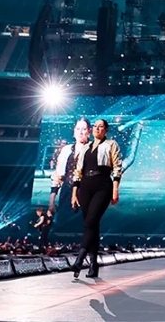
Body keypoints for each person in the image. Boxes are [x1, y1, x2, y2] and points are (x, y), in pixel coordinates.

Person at [70, 118, 122, 279]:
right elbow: (78, 172)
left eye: (101, 127)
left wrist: (115, 190)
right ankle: (93, 264)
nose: (97, 129)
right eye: (95, 126)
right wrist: (74, 193)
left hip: (102, 185)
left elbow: (117, 168)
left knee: (91, 221)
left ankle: (79, 259)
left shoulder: (111, 144)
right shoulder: (85, 147)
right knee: (91, 226)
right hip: (85, 187)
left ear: (106, 130)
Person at [50, 118, 92, 213]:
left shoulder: (95, 149)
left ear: (89, 131)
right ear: (74, 131)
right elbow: (58, 176)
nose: (80, 132)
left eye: (84, 129)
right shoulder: (66, 150)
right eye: (78, 129)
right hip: (66, 193)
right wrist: (51, 201)